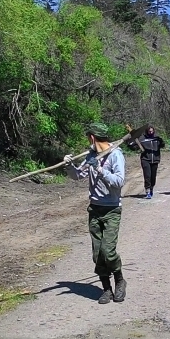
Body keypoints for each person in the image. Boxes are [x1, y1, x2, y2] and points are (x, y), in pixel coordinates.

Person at [64, 123, 128, 304]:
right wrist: (69, 166)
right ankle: (106, 289)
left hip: (112, 210)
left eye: (88, 137)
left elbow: (119, 181)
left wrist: (100, 170)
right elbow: (77, 176)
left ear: (92, 137)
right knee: (97, 254)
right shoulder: (91, 155)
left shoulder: (116, 155)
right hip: (94, 209)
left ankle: (120, 280)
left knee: (108, 251)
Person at [134, 126, 165, 199]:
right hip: (145, 159)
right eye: (149, 131)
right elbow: (135, 147)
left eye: (152, 131)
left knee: (153, 177)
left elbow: (162, 146)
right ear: (147, 131)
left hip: (155, 159)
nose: (151, 132)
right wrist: (131, 144)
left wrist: (161, 141)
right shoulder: (142, 139)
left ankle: (151, 188)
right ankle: (147, 191)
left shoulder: (157, 138)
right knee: (147, 175)